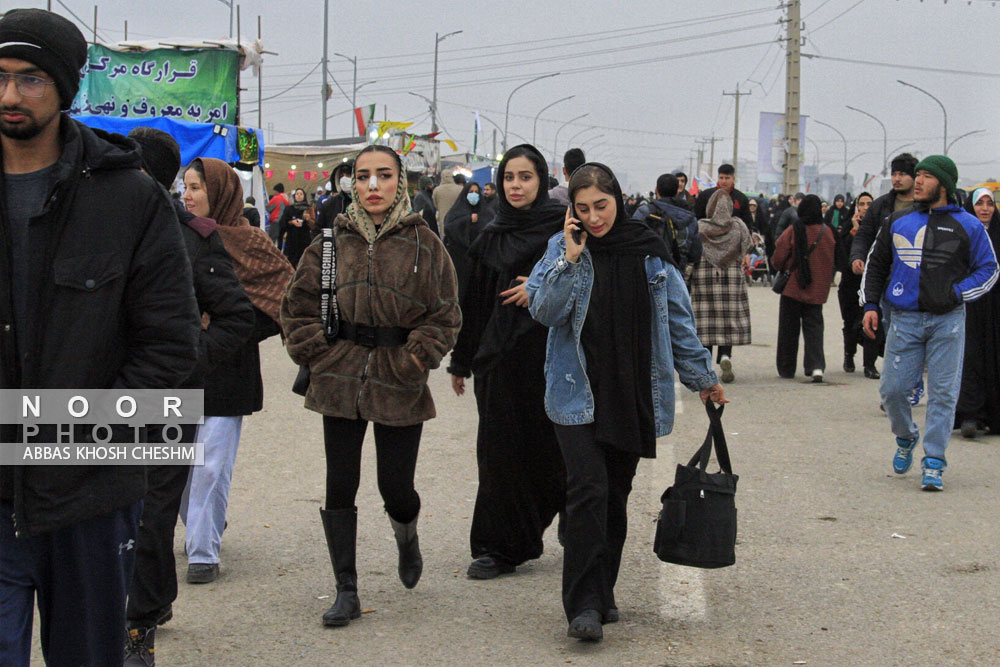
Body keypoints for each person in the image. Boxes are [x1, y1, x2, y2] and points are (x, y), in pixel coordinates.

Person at [0, 10, 201, 665]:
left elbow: (170, 348)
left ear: (65, 87)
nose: (9, 95)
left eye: (29, 78)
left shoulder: (129, 199)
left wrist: (68, 438)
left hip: (87, 499)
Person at [525, 162, 727, 641]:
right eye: (583, 209)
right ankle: (584, 605)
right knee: (588, 489)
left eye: (602, 205)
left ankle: (602, 592)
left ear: (619, 199)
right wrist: (571, 261)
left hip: (630, 391)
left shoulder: (650, 253)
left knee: (613, 497)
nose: (594, 218)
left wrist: (703, 377)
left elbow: (678, 321)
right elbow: (544, 310)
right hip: (576, 391)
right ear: (571, 210)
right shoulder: (562, 248)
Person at [281, 144, 460, 627]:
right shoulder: (330, 242)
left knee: (394, 487)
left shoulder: (426, 243)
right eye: (363, 176)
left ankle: (407, 535)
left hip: (398, 378)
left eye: (384, 175)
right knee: (340, 483)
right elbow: (295, 305)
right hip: (338, 378)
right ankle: (347, 589)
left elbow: (445, 314)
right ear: (351, 184)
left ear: (400, 182)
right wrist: (318, 352)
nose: (373, 186)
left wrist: (414, 358)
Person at [124, 127, 254, 665]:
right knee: (105, 511)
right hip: (101, 395)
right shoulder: (96, 228)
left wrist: (184, 361)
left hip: (168, 398)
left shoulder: (194, 237)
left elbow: (237, 315)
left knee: (151, 514)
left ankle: (138, 628)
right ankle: (147, 600)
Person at [448, 144, 567, 580]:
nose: (517, 186)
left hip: (548, 358)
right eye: (510, 178)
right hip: (497, 361)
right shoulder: (491, 234)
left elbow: (587, 287)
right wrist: (461, 360)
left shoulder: (562, 232)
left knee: (549, 452)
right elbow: (474, 303)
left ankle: (563, 518)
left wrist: (542, 286)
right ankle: (497, 547)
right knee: (498, 453)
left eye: (526, 177)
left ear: (541, 182)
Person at [179, 158, 293, 582]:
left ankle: (203, 554)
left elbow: (286, 293)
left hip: (229, 364)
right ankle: (201, 525)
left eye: (196, 188)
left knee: (211, 465)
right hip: (181, 365)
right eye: (185, 187)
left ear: (221, 193)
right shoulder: (175, 238)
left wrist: (237, 328)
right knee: (179, 461)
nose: (188, 196)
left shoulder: (251, 242)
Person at [861, 156, 998, 491]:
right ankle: (906, 436)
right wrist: (871, 304)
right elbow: (876, 263)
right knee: (893, 392)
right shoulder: (898, 220)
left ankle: (934, 461)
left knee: (943, 393)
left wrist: (957, 293)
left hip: (947, 322)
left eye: (925, 176)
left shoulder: (969, 226)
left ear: (944, 184)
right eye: (917, 175)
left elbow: (989, 269)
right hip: (904, 320)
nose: (917, 181)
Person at [689, 190, 753, 383]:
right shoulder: (739, 226)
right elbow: (747, 247)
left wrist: (685, 277)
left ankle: (706, 364)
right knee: (727, 321)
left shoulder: (699, 227)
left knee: (705, 324)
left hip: (704, 278)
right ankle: (725, 356)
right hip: (730, 278)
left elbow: (691, 255)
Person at [772, 195, 836, 381]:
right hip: (817, 291)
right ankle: (816, 367)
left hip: (793, 288)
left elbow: (779, 257)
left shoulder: (794, 230)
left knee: (788, 330)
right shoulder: (828, 232)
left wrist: (781, 267)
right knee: (814, 329)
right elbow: (833, 260)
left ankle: (786, 368)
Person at [955, 188, 1000, 438]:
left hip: (995, 308)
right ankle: (970, 414)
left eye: (989, 203)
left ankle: (992, 415)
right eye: (980, 203)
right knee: (970, 357)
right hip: (970, 305)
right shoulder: (965, 232)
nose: (985, 208)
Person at [849, 153, 918, 275]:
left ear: (914, 177)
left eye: (902, 174)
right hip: (884, 274)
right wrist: (857, 257)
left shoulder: (924, 206)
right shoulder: (879, 206)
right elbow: (864, 235)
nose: (896, 179)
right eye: (894, 174)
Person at [835, 192, 880, 377]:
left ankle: (869, 364)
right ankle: (849, 356)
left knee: (872, 323)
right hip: (849, 284)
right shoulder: (847, 230)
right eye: (862, 204)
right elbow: (841, 257)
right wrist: (854, 230)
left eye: (869, 203)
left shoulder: (878, 228)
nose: (865, 207)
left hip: (870, 284)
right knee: (850, 322)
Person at [631, 172, 701, 274]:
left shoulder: (644, 212)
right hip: (678, 274)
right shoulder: (690, 218)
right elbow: (695, 254)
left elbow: (633, 242)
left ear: (656, 190)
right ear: (677, 191)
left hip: (647, 274)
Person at [443, 181, 495, 299]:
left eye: (476, 192)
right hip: (460, 261)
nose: (474, 195)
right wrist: (467, 220)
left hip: (481, 263)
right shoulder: (456, 212)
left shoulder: (486, 212)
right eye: (471, 192)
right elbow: (449, 228)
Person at [276, 187, 315, 267]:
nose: (299, 196)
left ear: (304, 196)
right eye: (297, 194)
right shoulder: (289, 208)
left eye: (301, 194)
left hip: (304, 238)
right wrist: (292, 222)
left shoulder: (309, 208)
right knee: (291, 262)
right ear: (294, 196)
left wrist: (308, 219)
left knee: (304, 261)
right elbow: (283, 222)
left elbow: (314, 225)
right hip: (292, 239)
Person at [315, 160, 354, 234]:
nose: (344, 179)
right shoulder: (329, 204)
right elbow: (317, 231)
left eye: (348, 175)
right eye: (341, 176)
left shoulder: (368, 203)